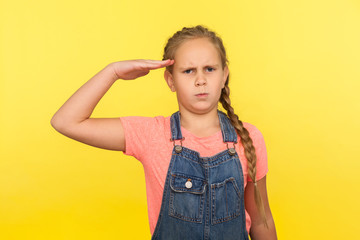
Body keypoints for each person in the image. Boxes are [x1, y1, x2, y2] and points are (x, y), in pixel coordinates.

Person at [51, 25, 277, 239]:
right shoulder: (151, 135)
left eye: (209, 69)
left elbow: (261, 219)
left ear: (224, 75)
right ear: (171, 80)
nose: (200, 80)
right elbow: (66, 121)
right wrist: (113, 71)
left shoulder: (248, 137)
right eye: (188, 71)